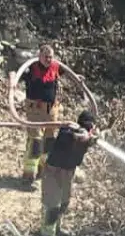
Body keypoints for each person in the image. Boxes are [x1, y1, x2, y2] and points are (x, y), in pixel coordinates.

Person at [19, 43, 84, 186]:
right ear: (39, 56)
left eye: (51, 57)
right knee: (35, 141)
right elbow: (16, 75)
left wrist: (77, 78)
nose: (48, 60)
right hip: (35, 110)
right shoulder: (32, 68)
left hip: (51, 111)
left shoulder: (56, 67)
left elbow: (68, 74)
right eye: (46, 57)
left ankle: (43, 171)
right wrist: (12, 80)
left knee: (49, 141)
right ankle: (28, 174)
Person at [38, 109, 99, 236]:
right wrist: (85, 136)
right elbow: (75, 136)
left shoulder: (87, 136)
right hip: (53, 172)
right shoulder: (68, 130)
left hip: (68, 172)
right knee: (52, 204)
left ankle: (57, 228)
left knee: (64, 202)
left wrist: (93, 139)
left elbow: (86, 140)